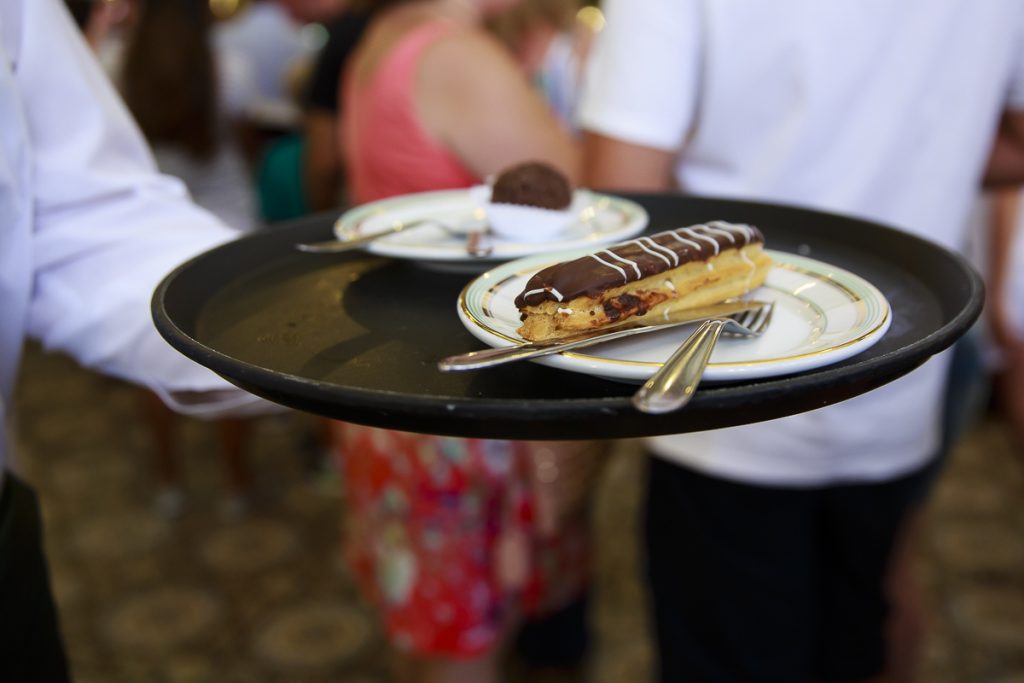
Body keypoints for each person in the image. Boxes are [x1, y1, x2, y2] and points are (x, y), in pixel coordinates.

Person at [578, 1, 1024, 682]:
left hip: (723, 409)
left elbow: (621, 192)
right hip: (902, 375)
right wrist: (916, 142)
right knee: (862, 633)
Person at [0, 1, 271, 680]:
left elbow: (78, 215)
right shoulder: (222, 64)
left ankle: (173, 480)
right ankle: (234, 483)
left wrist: (308, 329)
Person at [333, 2, 592, 682]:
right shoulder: (458, 58)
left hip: (392, 375)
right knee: (468, 639)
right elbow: (590, 206)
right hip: (467, 397)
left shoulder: (385, 37)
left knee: (428, 623)